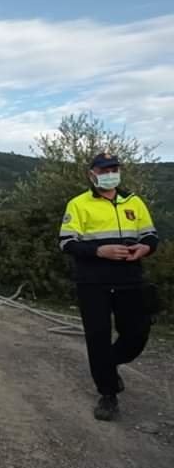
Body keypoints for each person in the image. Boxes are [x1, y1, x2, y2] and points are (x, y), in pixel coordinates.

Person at [59, 153, 158, 421]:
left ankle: (108, 363)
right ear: (92, 173)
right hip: (93, 284)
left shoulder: (134, 202)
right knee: (98, 338)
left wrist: (145, 247)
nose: (109, 173)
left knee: (137, 334)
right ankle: (108, 394)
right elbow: (67, 243)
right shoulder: (78, 204)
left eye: (114, 168)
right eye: (104, 169)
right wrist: (99, 251)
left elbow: (150, 234)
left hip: (130, 281)